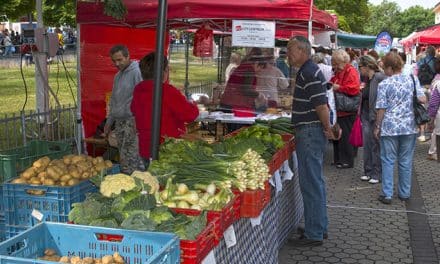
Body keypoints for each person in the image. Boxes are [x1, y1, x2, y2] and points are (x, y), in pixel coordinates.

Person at [286, 36, 335, 247]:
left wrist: (327, 128)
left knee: (311, 182)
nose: (288, 54)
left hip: (309, 131)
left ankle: (314, 232)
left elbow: (321, 106)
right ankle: (318, 226)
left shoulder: (308, 72)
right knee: (315, 182)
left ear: (302, 50)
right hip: (310, 131)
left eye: (290, 50)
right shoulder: (309, 70)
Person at [374, 52, 426, 204]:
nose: (384, 71)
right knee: (405, 160)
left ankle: (387, 193)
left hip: (390, 127)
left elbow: (381, 108)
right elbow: (422, 98)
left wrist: (377, 126)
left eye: (384, 67)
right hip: (409, 126)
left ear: (390, 67)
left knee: (388, 160)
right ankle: (404, 193)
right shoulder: (412, 79)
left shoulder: (384, 84)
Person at [131, 52, 199, 162]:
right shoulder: (167, 91)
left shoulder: (138, 90)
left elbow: (133, 110)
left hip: (145, 148)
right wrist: (193, 103)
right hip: (168, 148)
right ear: (164, 71)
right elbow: (190, 114)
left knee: (150, 176)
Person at [104, 45, 144, 174]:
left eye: (120, 60)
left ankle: (138, 183)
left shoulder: (137, 72)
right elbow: (114, 101)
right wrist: (109, 122)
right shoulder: (117, 76)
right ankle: (128, 182)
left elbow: (143, 98)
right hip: (120, 122)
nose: (117, 63)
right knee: (124, 156)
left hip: (132, 121)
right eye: (114, 61)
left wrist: (139, 121)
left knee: (132, 157)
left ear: (128, 57)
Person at [358, 55, 387, 184]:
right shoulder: (368, 79)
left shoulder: (379, 77)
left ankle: (376, 173)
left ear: (367, 66)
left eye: (360, 67)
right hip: (365, 115)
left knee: (376, 145)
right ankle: (368, 171)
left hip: (374, 116)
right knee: (368, 145)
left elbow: (381, 98)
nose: (359, 70)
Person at [330, 49, 361, 169]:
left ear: (343, 62)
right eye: (334, 64)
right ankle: (338, 159)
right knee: (338, 135)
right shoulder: (340, 71)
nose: (335, 67)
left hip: (347, 109)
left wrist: (339, 87)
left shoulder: (350, 71)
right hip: (339, 109)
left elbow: (354, 89)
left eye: (337, 64)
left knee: (346, 136)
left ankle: (347, 161)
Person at [219, 48, 266, 112]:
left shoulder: (243, 66)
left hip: (229, 102)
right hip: (235, 104)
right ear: (257, 63)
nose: (259, 71)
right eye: (261, 67)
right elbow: (246, 90)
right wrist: (259, 95)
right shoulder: (249, 70)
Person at [427, 57, 440, 162]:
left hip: (438, 116)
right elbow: (434, 103)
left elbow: (433, 103)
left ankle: (432, 152)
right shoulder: (437, 81)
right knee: (436, 133)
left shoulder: (437, 80)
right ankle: (432, 152)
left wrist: (431, 118)